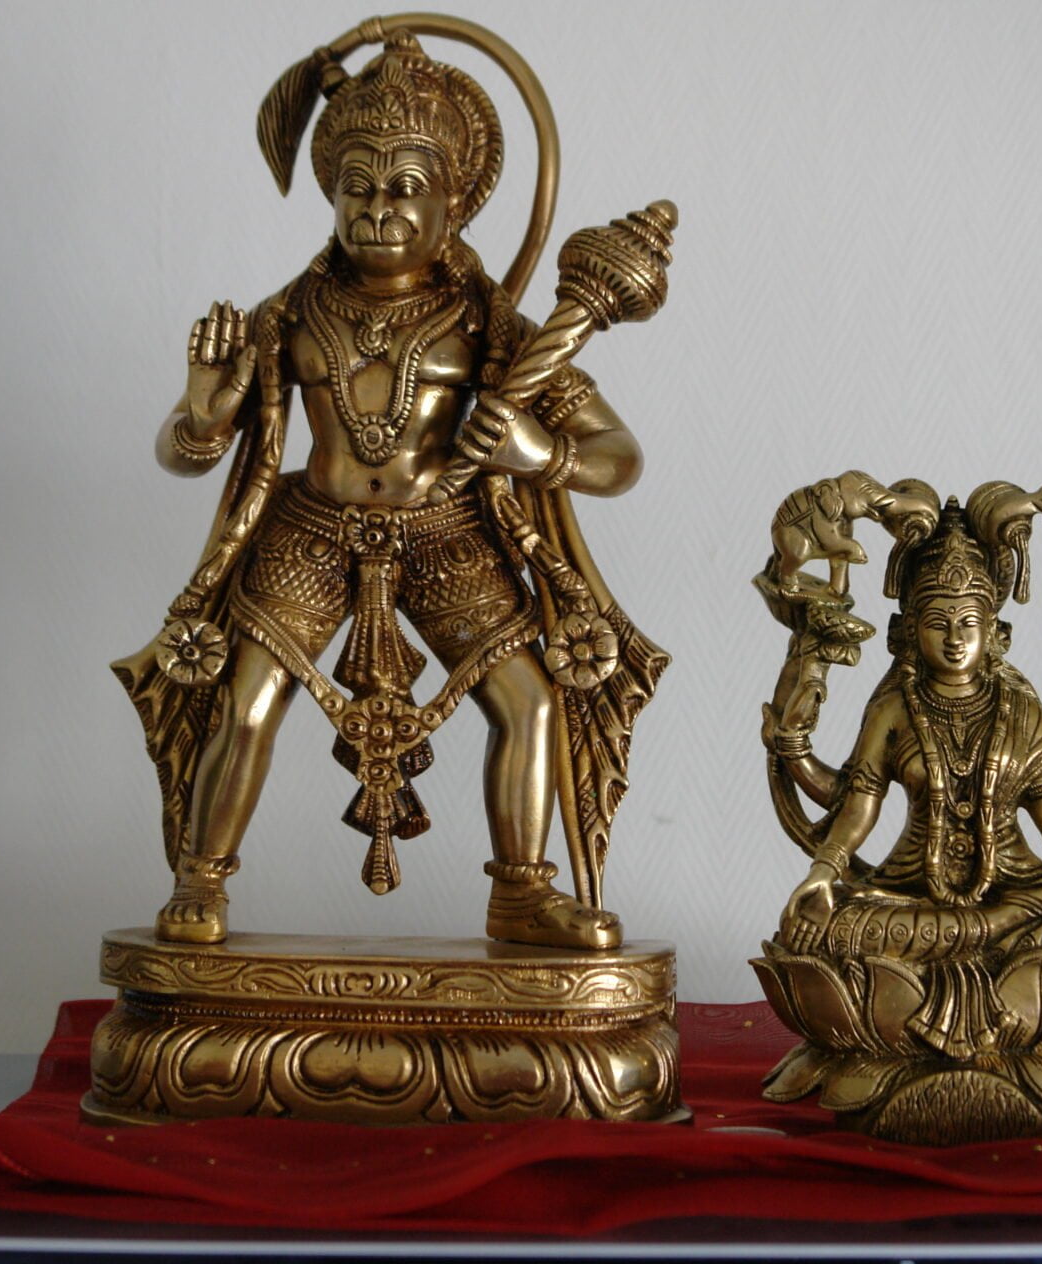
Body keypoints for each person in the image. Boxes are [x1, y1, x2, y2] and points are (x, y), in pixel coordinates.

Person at [114, 31, 661, 950]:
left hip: (447, 530)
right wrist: (205, 419)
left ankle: (522, 894)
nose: (377, 210)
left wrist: (539, 453)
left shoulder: (497, 331)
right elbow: (182, 452)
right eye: (355, 188)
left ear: (455, 206)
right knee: (246, 700)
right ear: (329, 197)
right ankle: (200, 880)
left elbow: (619, 455)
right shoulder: (283, 318)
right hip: (312, 529)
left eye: (406, 188)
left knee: (527, 702)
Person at [779, 502, 1042, 970]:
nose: (955, 637)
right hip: (911, 898)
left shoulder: (1020, 712)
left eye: (969, 623)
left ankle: (992, 953)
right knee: (828, 931)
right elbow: (859, 802)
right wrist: (822, 873)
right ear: (909, 631)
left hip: (1017, 892)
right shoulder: (894, 710)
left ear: (995, 633)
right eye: (939, 623)